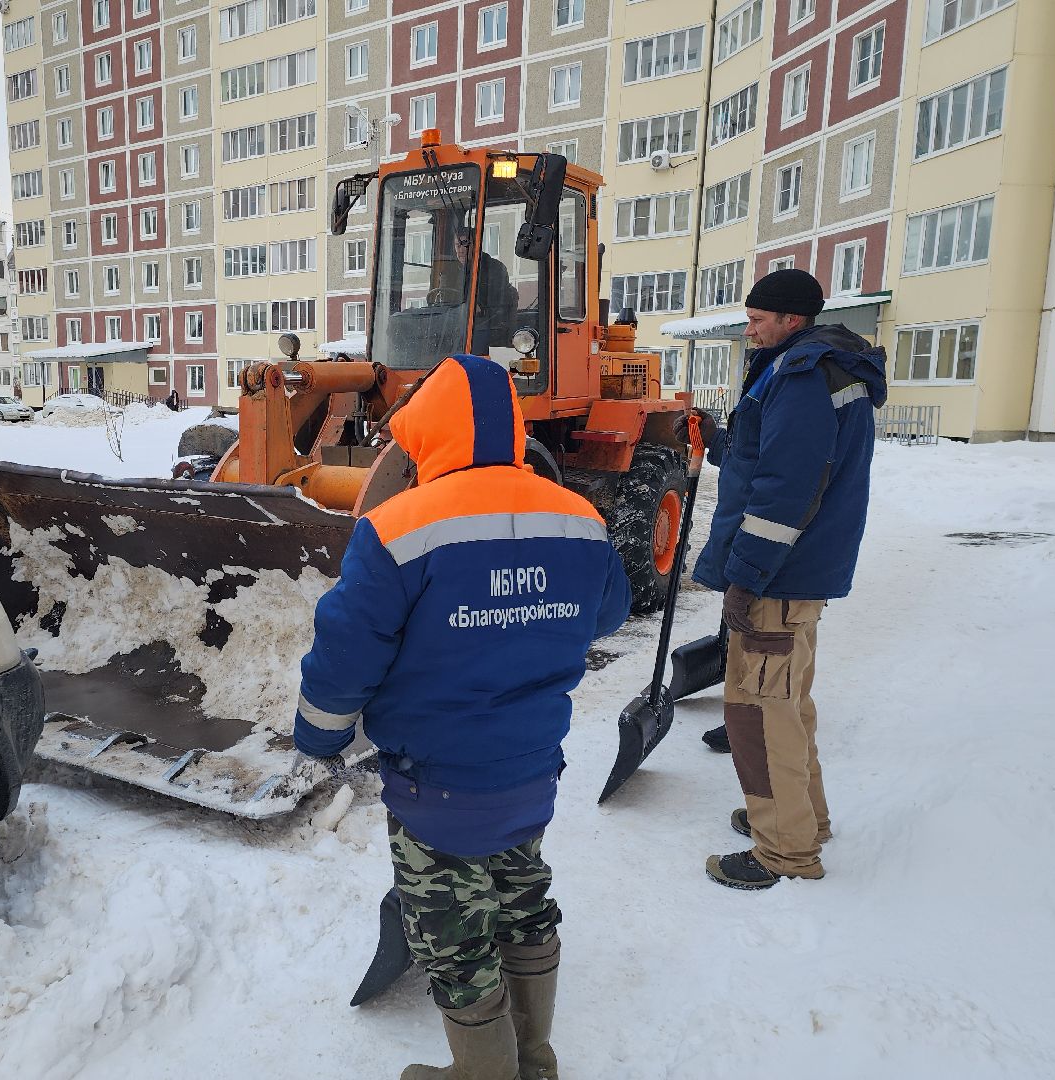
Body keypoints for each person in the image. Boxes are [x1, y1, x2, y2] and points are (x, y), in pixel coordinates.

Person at [293, 353, 632, 1080]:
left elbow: (346, 652)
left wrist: (318, 734)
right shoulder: (581, 518)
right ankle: (534, 1059)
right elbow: (607, 615)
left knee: (453, 936)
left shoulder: (397, 528)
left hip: (434, 784)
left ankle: (486, 1073)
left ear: (430, 433)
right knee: (523, 903)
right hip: (531, 770)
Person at [679, 268, 887, 890]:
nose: (750, 329)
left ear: (793, 320)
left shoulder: (800, 378)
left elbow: (784, 493)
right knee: (789, 703)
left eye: (758, 320)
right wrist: (717, 438)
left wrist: (745, 578)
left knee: (759, 712)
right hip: (799, 573)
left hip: (780, 575)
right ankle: (802, 820)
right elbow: (765, 457)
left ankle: (785, 850)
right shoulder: (818, 369)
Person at [454, 232, 515, 355]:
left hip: (490, 325)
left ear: (477, 245)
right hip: (465, 322)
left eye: (464, 244)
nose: (460, 250)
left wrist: (474, 307)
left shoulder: (493, 268)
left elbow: (495, 303)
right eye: (457, 245)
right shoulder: (459, 270)